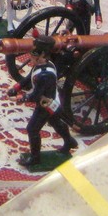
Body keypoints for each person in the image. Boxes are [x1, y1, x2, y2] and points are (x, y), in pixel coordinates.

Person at [12, 35, 78, 167]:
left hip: (46, 104)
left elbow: (36, 95)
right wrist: (17, 87)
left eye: (34, 54)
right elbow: (30, 77)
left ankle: (35, 158)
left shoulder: (44, 75)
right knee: (55, 122)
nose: (31, 57)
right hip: (50, 101)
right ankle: (69, 141)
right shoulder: (44, 65)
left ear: (42, 54)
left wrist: (23, 98)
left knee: (32, 129)